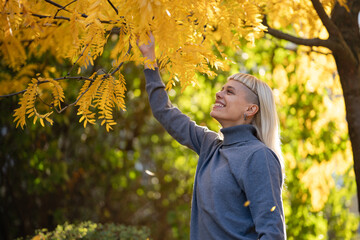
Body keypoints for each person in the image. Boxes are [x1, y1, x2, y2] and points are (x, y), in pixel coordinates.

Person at [137, 33, 286, 240]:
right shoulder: (210, 146)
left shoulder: (258, 157)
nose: (219, 94)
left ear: (251, 109)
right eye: (222, 89)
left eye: (230, 92)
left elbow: (272, 232)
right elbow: (164, 112)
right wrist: (149, 58)